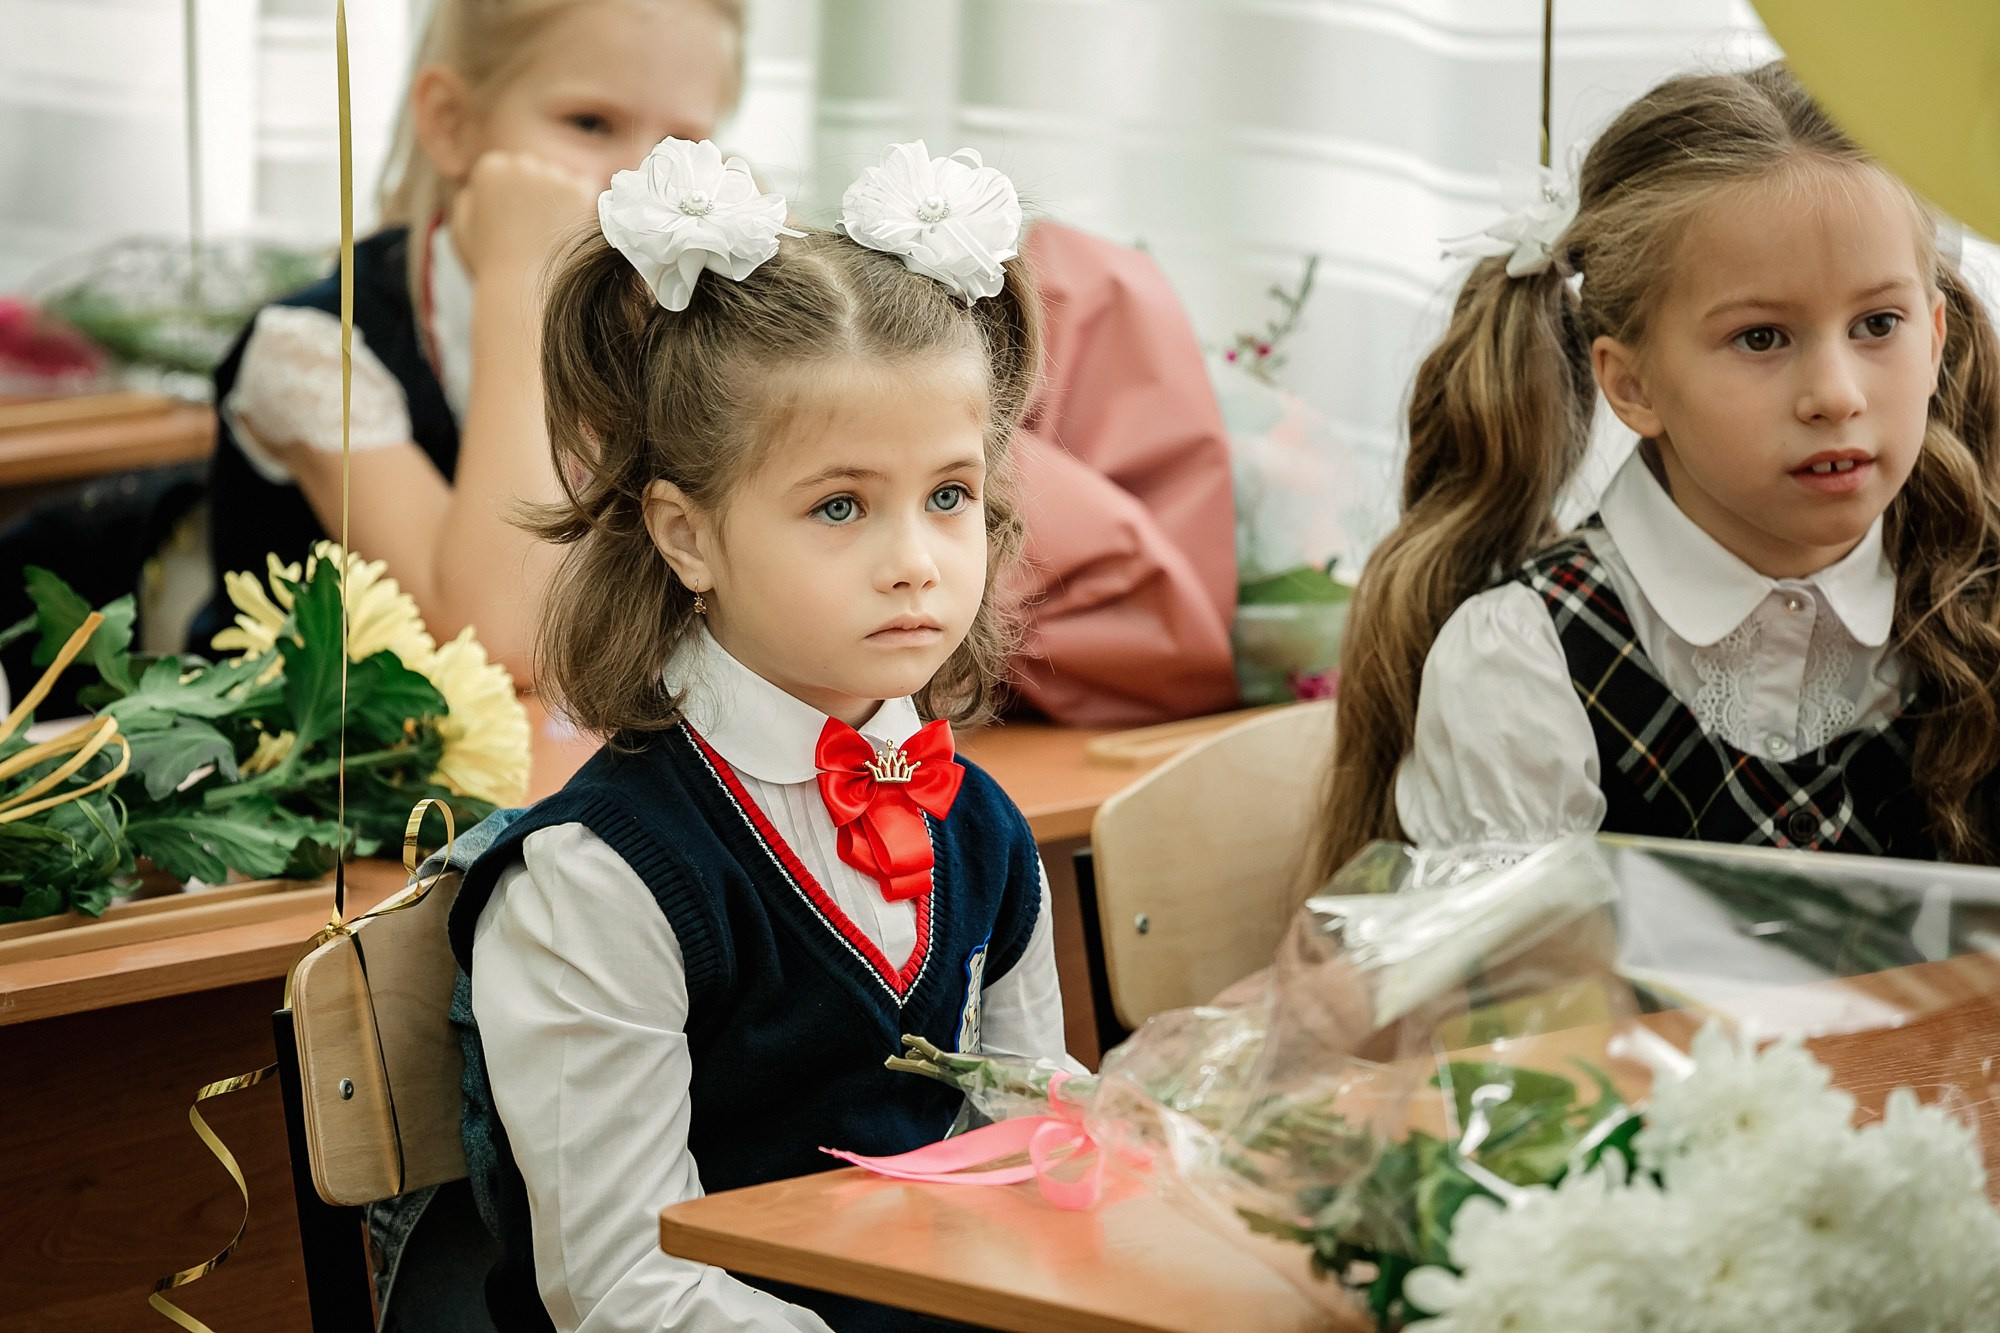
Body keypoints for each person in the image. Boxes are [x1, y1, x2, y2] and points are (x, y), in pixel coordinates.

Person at [447, 139, 1076, 1332]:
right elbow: (626, 1286)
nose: (914, 562)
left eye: (949, 495)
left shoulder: (983, 830)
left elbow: (1021, 1141)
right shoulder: (599, 880)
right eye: (839, 504)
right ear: (686, 536)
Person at [1322, 63, 2000, 876]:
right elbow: (1523, 1001)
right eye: (1761, 338)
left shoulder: (1978, 596)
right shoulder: (1523, 666)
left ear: (1935, 337)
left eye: (1878, 323)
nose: (1834, 395)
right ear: (1631, 384)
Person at [195, 0, 745, 681]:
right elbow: (501, 637)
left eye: (684, 146)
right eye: (589, 123)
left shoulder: (675, 327)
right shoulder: (312, 352)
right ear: (452, 122)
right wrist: (522, 280)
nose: (641, 183)